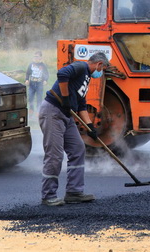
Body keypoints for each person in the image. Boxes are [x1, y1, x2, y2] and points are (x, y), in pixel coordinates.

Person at [39, 52, 110, 206]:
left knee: (78, 149)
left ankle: (74, 192)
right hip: (53, 112)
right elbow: (62, 74)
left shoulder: (86, 78)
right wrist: (65, 98)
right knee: (55, 155)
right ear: (99, 64)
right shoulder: (81, 66)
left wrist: (90, 127)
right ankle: (48, 195)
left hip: (67, 115)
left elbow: (81, 105)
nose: (101, 73)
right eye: (102, 69)